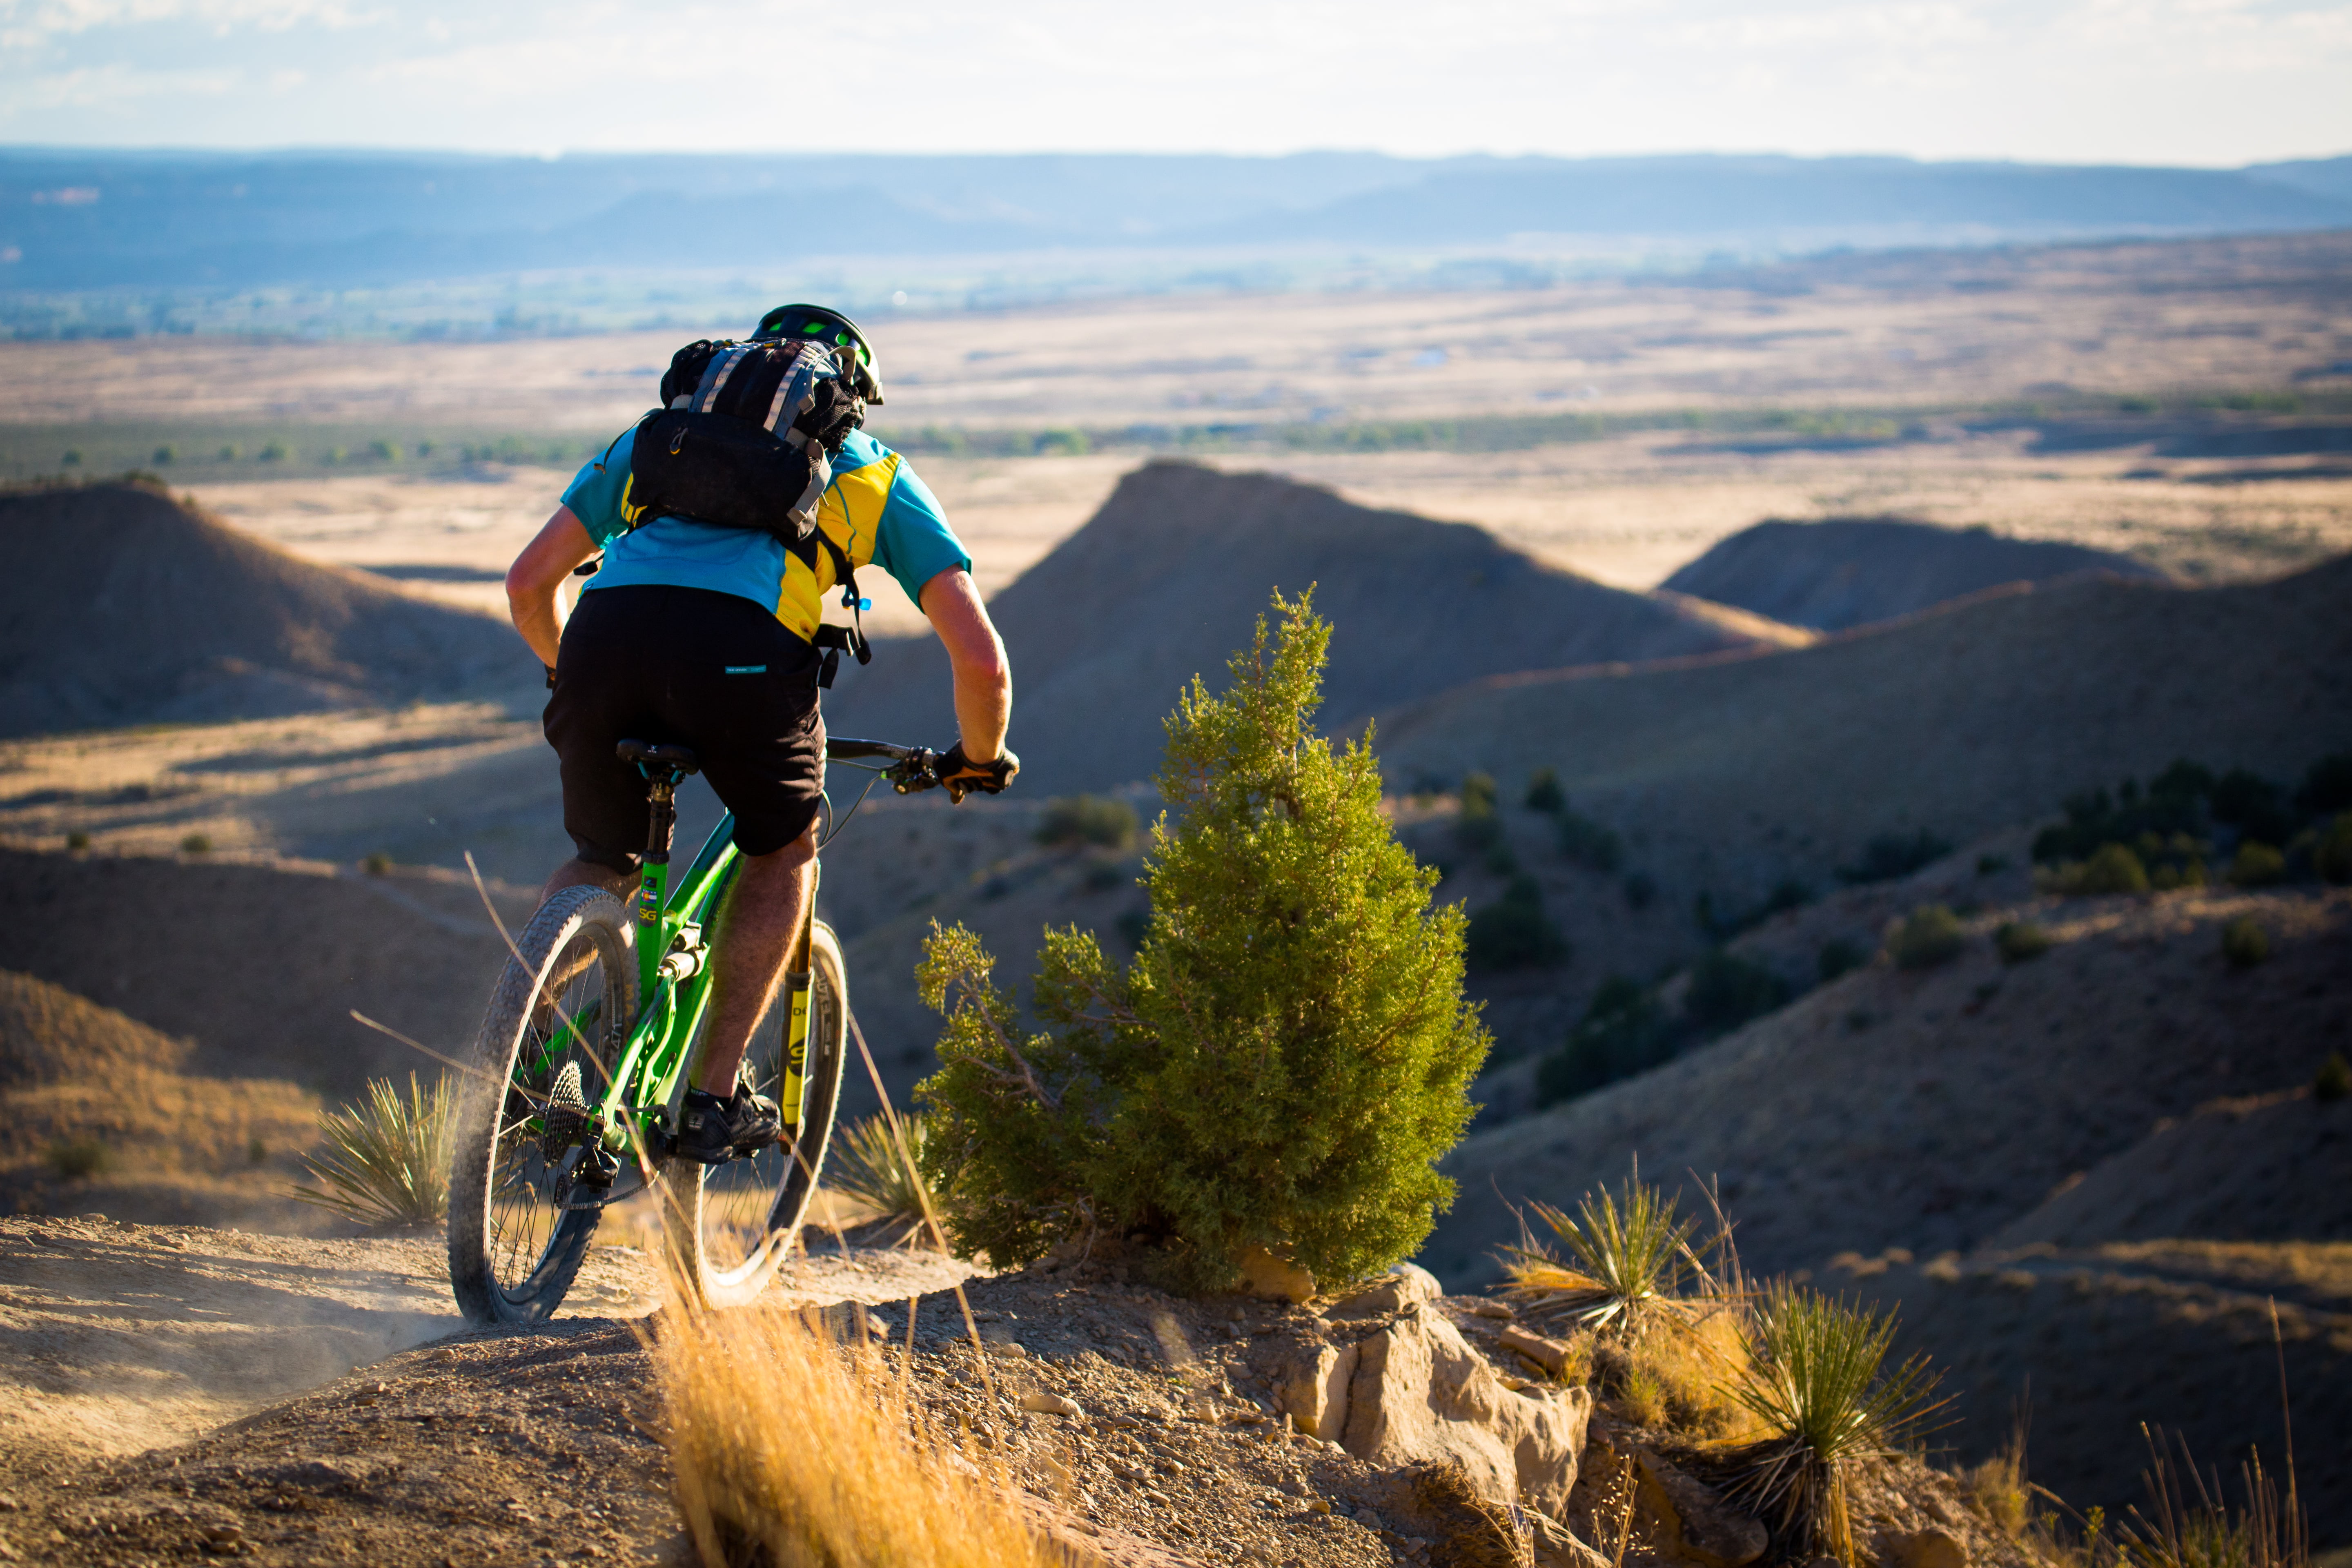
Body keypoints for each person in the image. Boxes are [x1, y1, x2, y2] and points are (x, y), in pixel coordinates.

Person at [502, 304, 1014, 1164]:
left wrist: (576, 676)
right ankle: (710, 1099)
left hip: (602, 643)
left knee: (604, 859)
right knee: (783, 851)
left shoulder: (657, 439)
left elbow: (527, 583)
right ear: (848, 394)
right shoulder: (872, 469)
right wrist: (979, 757)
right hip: (740, 663)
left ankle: (515, 1049)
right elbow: (982, 659)